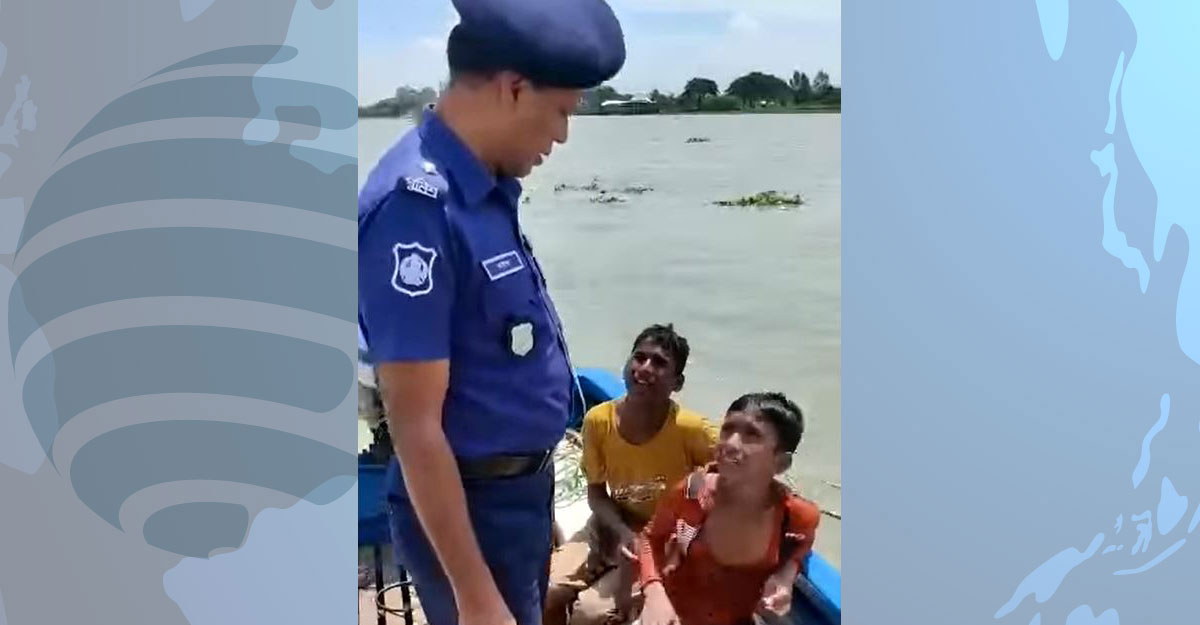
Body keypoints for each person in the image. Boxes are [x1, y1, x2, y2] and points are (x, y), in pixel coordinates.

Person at [356, 1, 625, 624]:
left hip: (517, 499)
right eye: (561, 112)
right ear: (513, 89)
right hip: (471, 511)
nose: (562, 135)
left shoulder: (483, 189)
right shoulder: (417, 207)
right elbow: (415, 426)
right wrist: (475, 596)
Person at [545, 324, 717, 625]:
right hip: (611, 522)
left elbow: (738, 474)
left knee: (589, 613)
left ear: (677, 383)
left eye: (659, 363)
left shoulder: (692, 430)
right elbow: (596, 493)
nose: (645, 368)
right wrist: (621, 530)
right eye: (640, 357)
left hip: (663, 538)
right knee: (548, 589)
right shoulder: (598, 421)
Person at [637, 393, 821, 625]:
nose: (730, 444)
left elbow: (802, 545)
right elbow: (649, 538)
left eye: (752, 435)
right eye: (727, 429)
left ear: (780, 463)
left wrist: (785, 575)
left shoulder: (794, 515)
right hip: (671, 615)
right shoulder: (693, 492)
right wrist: (653, 592)